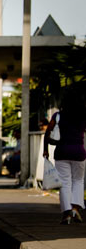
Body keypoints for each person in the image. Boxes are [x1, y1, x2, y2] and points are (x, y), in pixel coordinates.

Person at [43, 95, 86, 225]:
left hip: (62, 152)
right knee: (78, 181)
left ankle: (66, 214)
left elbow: (48, 133)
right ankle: (75, 208)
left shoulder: (58, 116)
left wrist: (46, 150)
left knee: (65, 183)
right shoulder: (83, 116)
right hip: (79, 152)